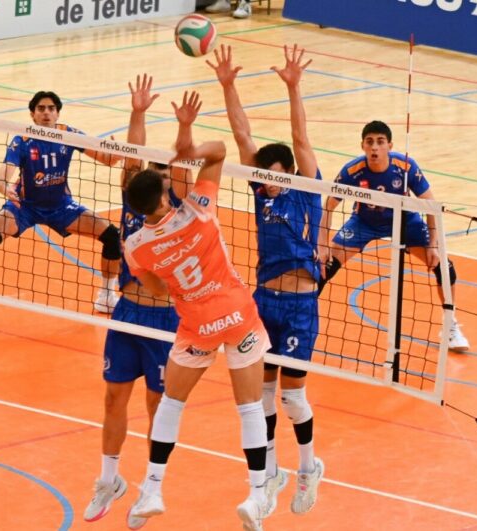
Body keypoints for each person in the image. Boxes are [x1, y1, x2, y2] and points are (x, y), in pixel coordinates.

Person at [123, 117, 271, 530]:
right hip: (238, 317)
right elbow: (219, 151)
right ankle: (258, 494)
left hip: (197, 327)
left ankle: (153, 488)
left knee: (171, 403)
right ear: (165, 194)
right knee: (250, 407)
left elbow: (158, 291)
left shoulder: (135, 246)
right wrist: (189, 151)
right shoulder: (199, 211)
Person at [207, 42, 325, 515]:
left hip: (300, 305)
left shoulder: (307, 189)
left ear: (290, 173)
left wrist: (293, 87)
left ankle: (309, 467)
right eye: (266, 178)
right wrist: (227, 85)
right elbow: (242, 135)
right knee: (264, 395)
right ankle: (273, 471)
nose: (270, 183)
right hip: (263, 302)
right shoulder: (262, 194)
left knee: (294, 398)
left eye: (276, 177)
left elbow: (300, 139)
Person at [83, 76, 195, 530]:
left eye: (166, 178)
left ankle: (151, 486)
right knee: (113, 398)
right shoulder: (134, 205)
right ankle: (109, 480)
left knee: (156, 406)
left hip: (166, 320)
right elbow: (132, 161)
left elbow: (186, 167)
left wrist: (184, 127)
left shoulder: (183, 214)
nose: (160, 181)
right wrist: (138, 112)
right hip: (127, 314)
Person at [0, 91, 124, 322]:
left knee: (112, 237)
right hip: (24, 206)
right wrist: (5, 188)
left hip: (61, 207)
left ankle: (106, 296)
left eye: (51, 108)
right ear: (32, 114)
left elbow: (106, 159)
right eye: (41, 108)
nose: (46, 113)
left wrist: (115, 154)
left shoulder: (69, 134)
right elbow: (2, 178)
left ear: (57, 113)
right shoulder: (22, 140)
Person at [320, 120, 470, 351]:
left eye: (380, 142)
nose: (374, 147)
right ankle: (302, 313)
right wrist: (322, 245)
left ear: (390, 146)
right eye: (369, 142)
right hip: (364, 221)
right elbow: (328, 207)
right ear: (362, 145)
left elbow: (431, 206)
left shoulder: (406, 166)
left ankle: (450, 325)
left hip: (405, 220)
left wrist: (432, 245)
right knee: (325, 265)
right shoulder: (352, 171)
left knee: (444, 265)